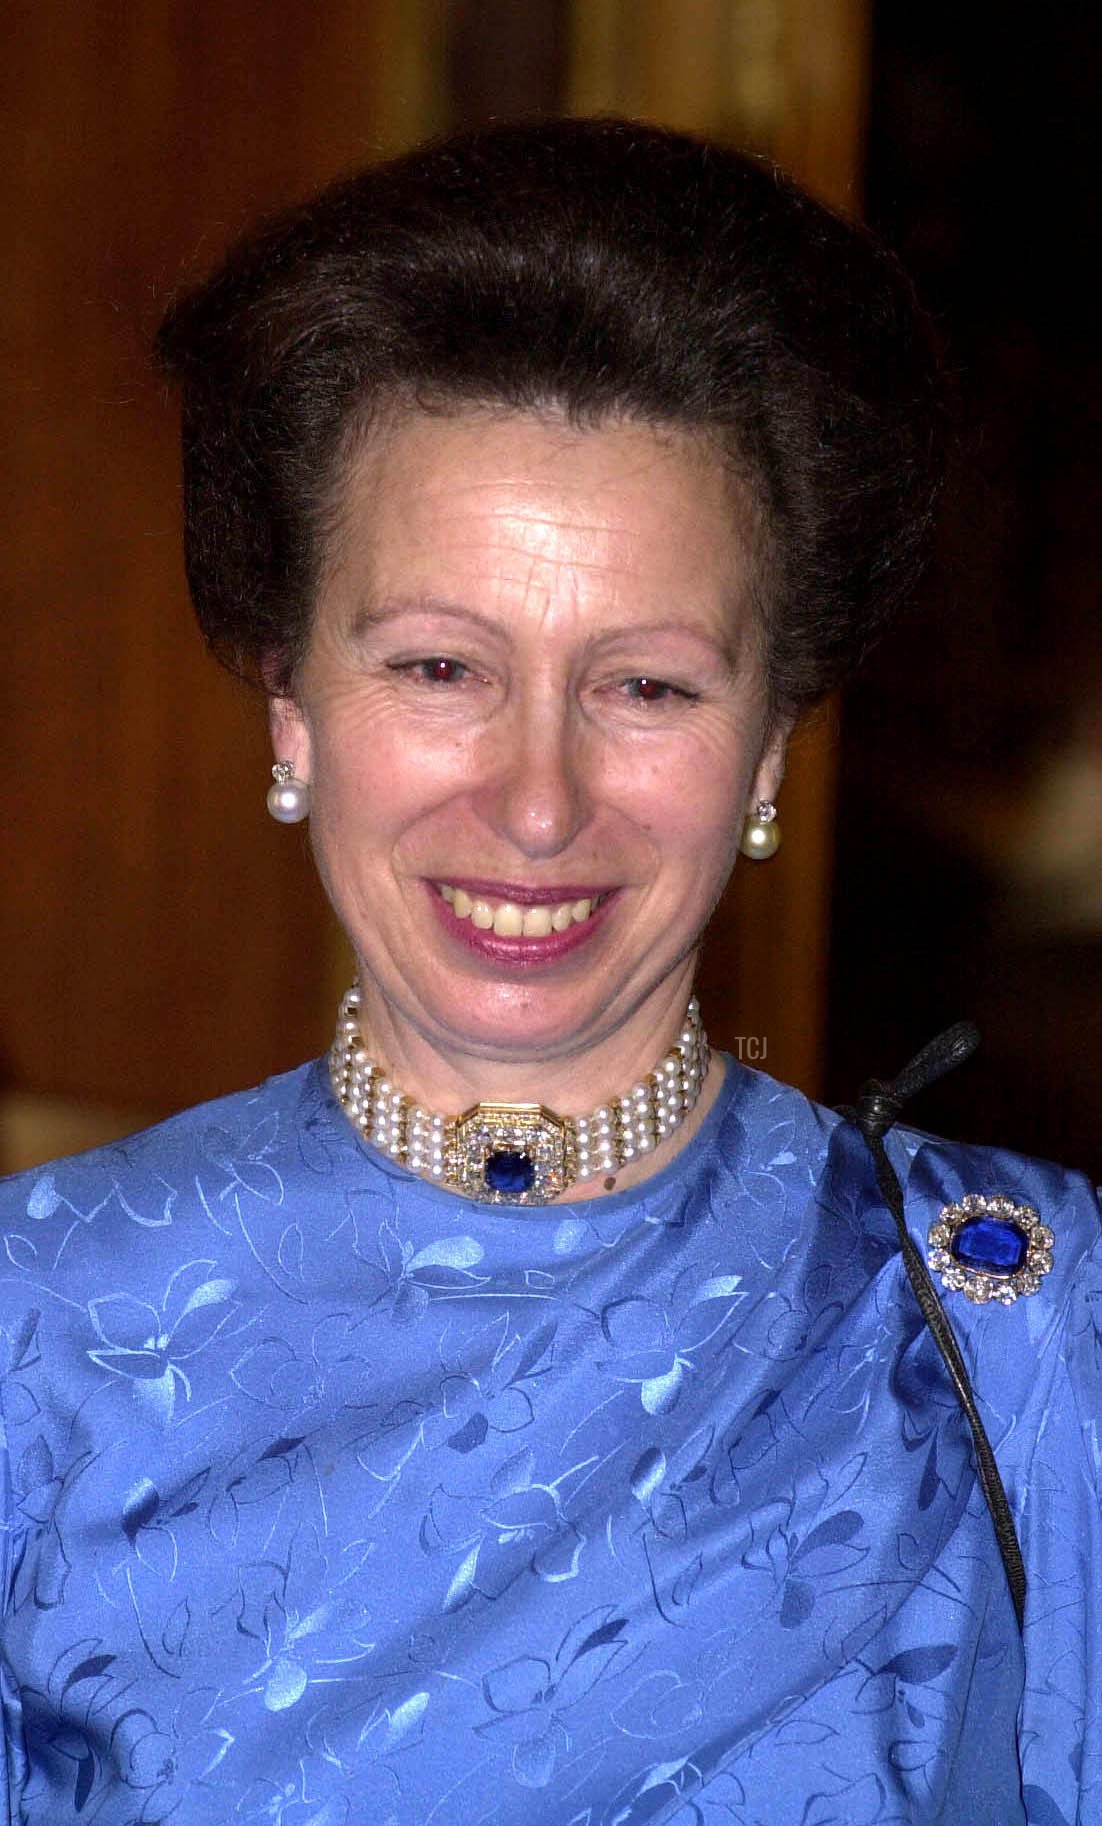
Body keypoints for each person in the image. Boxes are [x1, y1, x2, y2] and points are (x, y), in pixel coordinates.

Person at [0, 117, 1097, 1826]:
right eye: (440, 664)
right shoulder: (37, 1331)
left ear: (768, 750)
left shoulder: (1014, 1316)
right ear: (294, 706)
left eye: (645, 686)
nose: (533, 798)